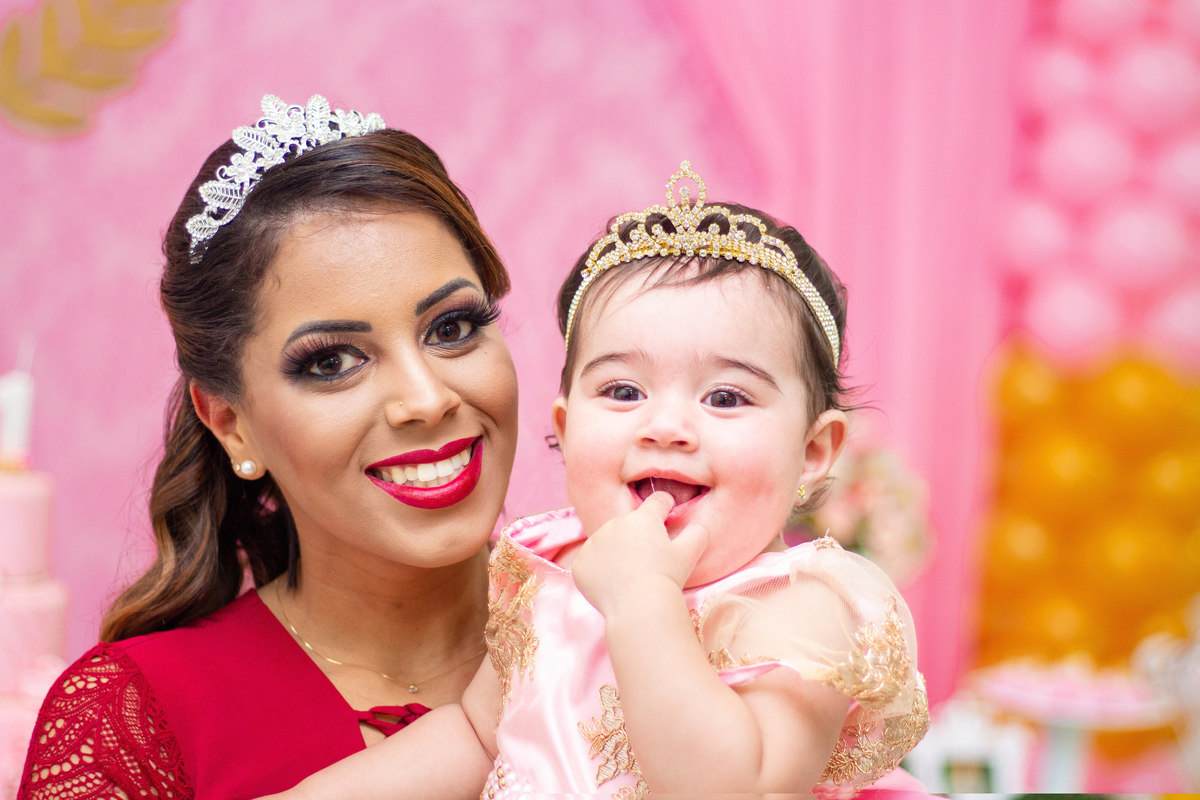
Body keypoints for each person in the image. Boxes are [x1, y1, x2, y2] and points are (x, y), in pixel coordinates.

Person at [264, 161, 930, 799]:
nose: (666, 426)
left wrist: (644, 598)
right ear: (566, 423)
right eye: (622, 390)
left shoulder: (794, 606)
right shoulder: (550, 573)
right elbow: (475, 736)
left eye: (725, 398)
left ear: (815, 452)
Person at [17, 94, 520, 798]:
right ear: (231, 423)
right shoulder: (131, 722)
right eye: (332, 362)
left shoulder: (654, 629)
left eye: (452, 328)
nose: (428, 399)